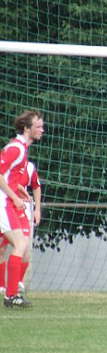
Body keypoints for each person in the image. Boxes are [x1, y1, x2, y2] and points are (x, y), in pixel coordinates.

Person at [0, 110, 44, 308]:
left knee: (23, 248)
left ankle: (11, 294)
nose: (42, 129)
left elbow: (8, 176)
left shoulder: (23, 149)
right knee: (19, 245)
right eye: (38, 126)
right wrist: (12, 196)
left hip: (10, 201)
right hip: (3, 203)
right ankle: (10, 296)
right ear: (27, 129)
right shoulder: (15, 148)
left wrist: (18, 190)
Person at [0, 162, 41, 297]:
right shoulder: (6, 165)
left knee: (25, 249)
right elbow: (6, 181)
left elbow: (36, 186)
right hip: (5, 207)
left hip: (21, 210)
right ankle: (3, 287)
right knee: (2, 249)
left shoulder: (30, 167)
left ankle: (17, 283)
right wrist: (18, 189)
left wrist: (37, 209)